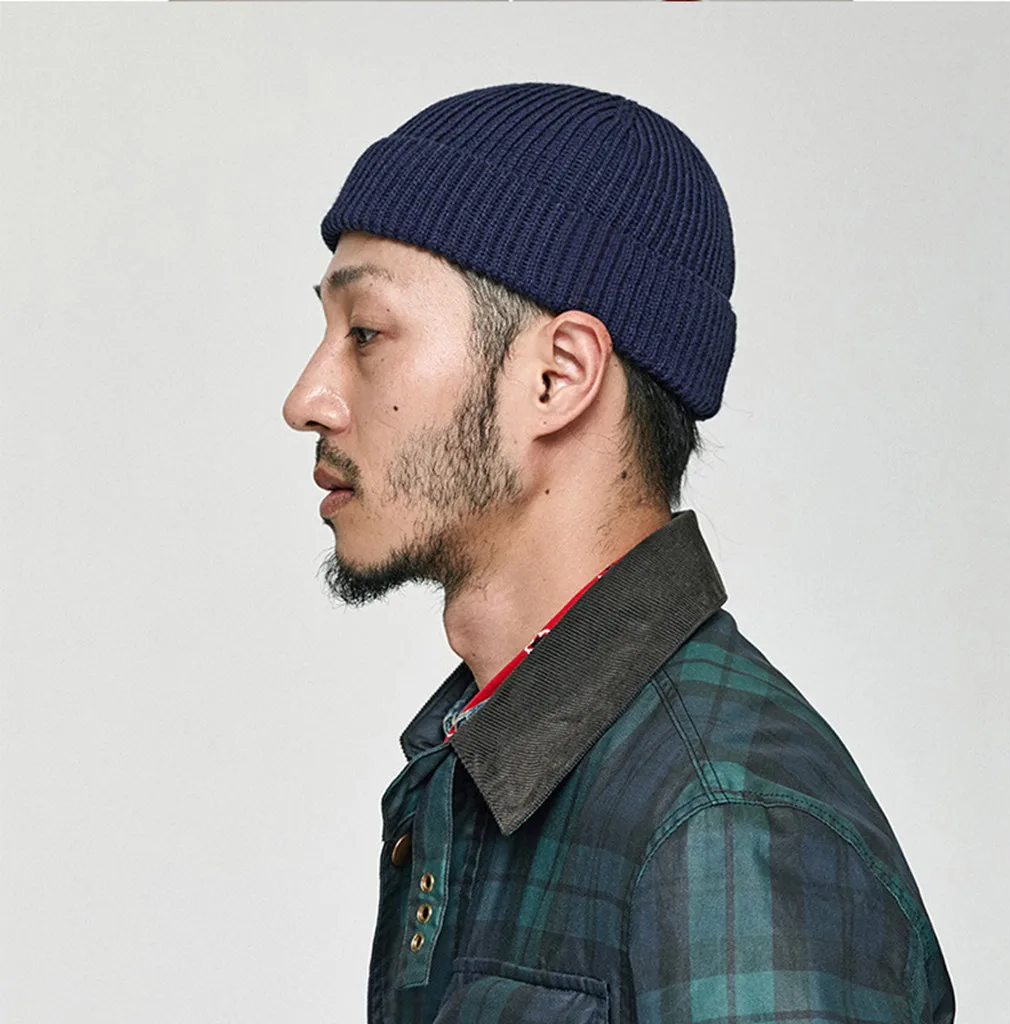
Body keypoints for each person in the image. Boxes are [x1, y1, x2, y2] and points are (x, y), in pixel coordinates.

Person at [282, 82, 954, 1024]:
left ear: (559, 377)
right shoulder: (482, 763)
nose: (306, 399)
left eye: (365, 333)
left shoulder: (725, 826)